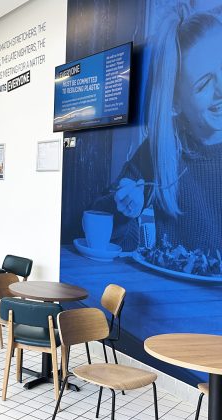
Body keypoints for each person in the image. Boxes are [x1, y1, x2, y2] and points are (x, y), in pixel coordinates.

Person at [93, 11, 222, 252]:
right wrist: (125, 209)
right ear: (175, 104)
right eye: (204, 84)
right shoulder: (162, 150)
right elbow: (101, 223)